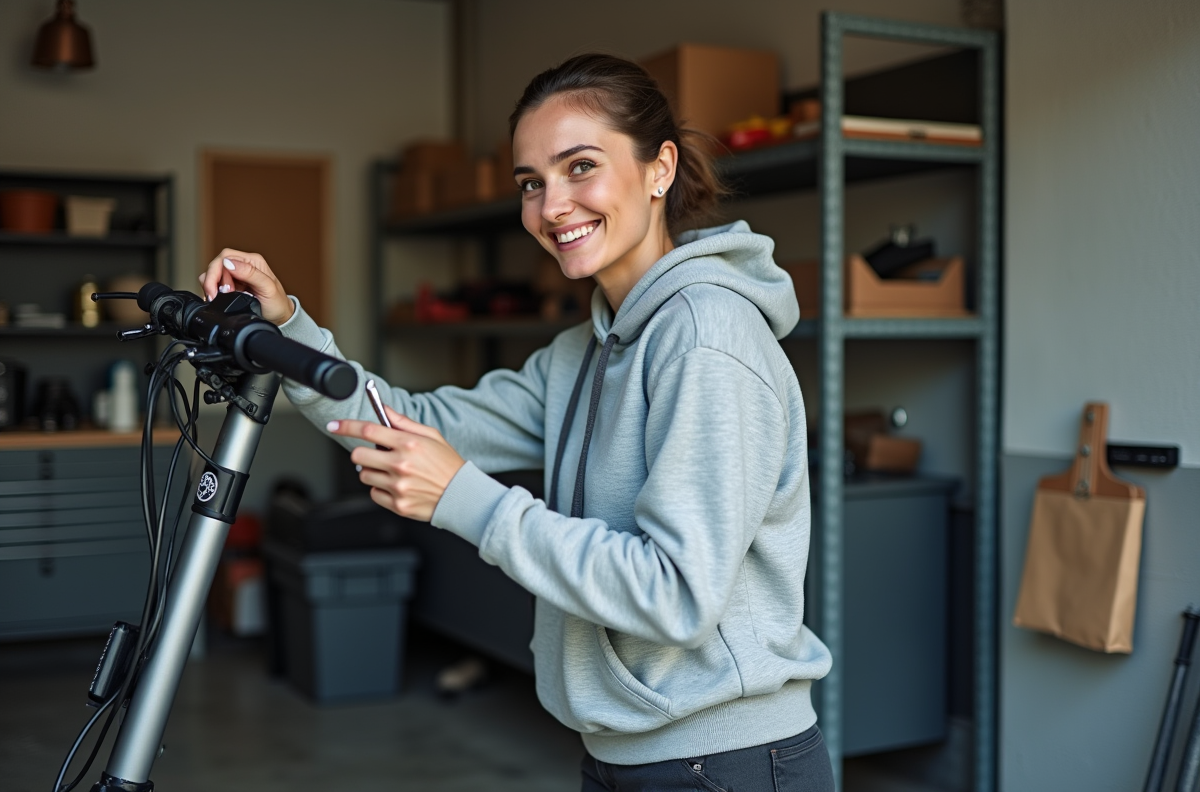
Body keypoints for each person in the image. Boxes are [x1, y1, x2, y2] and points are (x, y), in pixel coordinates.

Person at [201, 53, 833, 792]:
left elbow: (678, 593)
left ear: (659, 169)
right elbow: (421, 420)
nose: (551, 206)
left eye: (580, 167)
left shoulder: (706, 336)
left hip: (723, 763)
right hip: (628, 753)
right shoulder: (582, 352)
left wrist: (467, 499)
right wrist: (291, 328)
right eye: (531, 183)